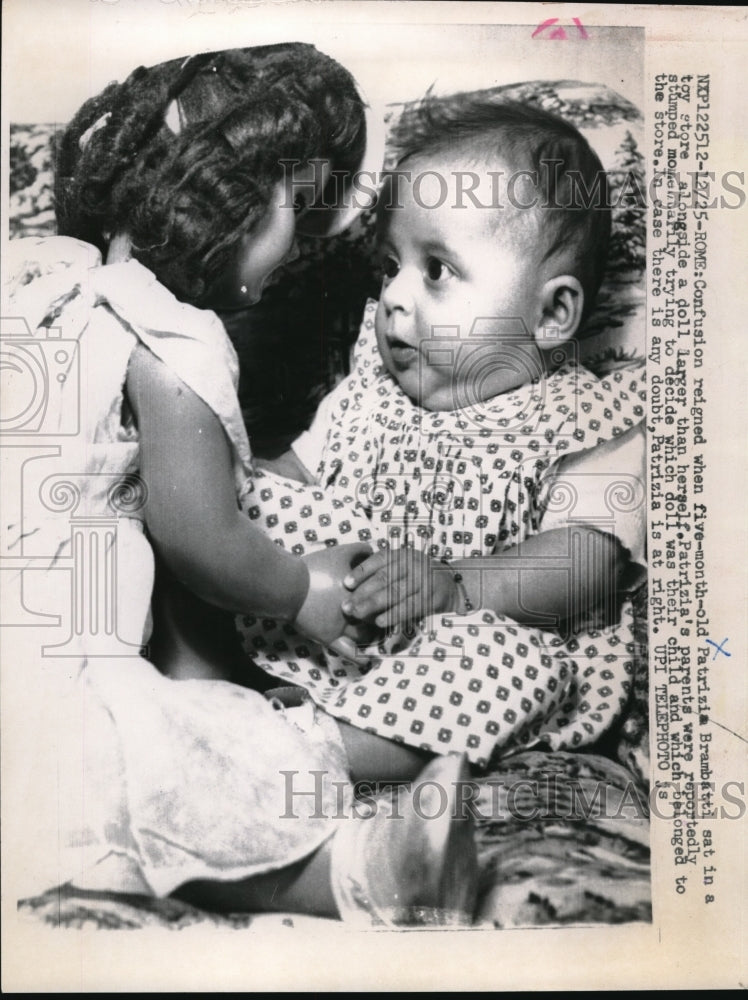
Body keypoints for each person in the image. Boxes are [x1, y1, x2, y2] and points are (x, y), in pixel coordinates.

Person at [3, 45, 478, 926]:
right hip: (48, 667)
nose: (297, 244)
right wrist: (301, 588)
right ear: (239, 200)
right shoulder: (174, 341)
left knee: (141, 754)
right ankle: (359, 873)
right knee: (162, 776)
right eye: (298, 208)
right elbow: (199, 537)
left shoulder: (45, 279)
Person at [237, 95, 647, 772]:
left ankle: (304, 753)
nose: (395, 295)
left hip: (463, 648)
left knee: (519, 671)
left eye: (436, 270)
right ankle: (208, 691)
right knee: (241, 508)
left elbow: (585, 562)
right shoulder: (371, 392)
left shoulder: (586, 422)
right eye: (389, 266)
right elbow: (293, 478)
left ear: (552, 314)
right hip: (338, 624)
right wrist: (236, 486)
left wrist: (454, 589)